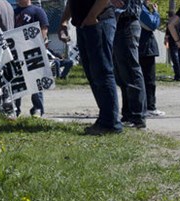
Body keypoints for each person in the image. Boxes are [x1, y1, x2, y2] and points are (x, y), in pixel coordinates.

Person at [60, 0, 122, 135]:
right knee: (93, 73)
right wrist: (64, 21)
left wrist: (92, 16)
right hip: (84, 25)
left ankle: (111, 123)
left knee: (102, 71)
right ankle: (105, 119)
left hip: (99, 21)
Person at [112, 0, 147, 129]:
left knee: (131, 70)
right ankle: (127, 114)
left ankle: (138, 116)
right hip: (118, 23)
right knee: (121, 73)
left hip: (127, 21)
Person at [13, 0, 49, 118]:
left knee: (36, 82)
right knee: (17, 82)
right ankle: (15, 109)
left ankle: (38, 108)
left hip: (32, 51)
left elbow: (44, 28)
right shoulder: (14, 12)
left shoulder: (37, 10)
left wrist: (39, 44)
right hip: (17, 51)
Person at [138, 0, 164, 117]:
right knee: (149, 79)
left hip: (139, 47)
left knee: (140, 79)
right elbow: (152, 24)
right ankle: (150, 107)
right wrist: (156, 13)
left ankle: (141, 106)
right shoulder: (141, 9)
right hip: (145, 48)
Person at [165, 11, 180, 81]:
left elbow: (167, 35)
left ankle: (178, 76)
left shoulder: (170, 24)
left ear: (170, 16)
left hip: (173, 42)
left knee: (175, 59)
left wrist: (166, 41)